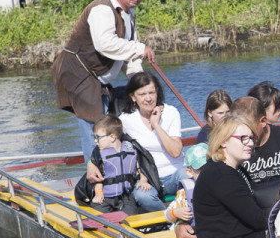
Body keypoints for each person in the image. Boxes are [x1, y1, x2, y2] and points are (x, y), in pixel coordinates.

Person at [52, 0, 154, 162]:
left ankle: (117, 170)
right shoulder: (102, 9)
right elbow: (105, 44)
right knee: (95, 129)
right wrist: (141, 48)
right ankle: (96, 180)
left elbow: (129, 56)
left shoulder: (129, 15)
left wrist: (140, 84)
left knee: (110, 122)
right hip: (78, 74)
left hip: (99, 79)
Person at [193, 114, 268, 238]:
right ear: (224, 141)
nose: (250, 143)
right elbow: (257, 220)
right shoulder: (221, 175)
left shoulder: (234, 170)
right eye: (243, 138)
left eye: (251, 137)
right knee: (278, 237)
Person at [118, 72, 186, 212]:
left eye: (152, 93)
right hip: (148, 178)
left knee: (189, 178)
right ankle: (167, 222)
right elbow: (110, 145)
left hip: (175, 173)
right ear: (133, 97)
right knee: (142, 195)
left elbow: (175, 151)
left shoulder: (171, 113)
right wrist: (91, 164)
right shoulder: (126, 120)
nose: (148, 98)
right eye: (142, 94)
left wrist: (156, 125)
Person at [75, 114, 151, 215]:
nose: (95, 140)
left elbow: (141, 167)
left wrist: (143, 180)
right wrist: (98, 194)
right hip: (104, 197)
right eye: (94, 137)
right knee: (96, 216)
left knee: (130, 217)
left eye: (98, 137)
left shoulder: (131, 149)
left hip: (126, 197)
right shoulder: (99, 154)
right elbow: (98, 180)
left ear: (112, 137)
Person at [164, 143, 208, 225]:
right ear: (189, 172)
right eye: (200, 169)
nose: (206, 172)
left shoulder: (224, 184)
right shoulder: (184, 194)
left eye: (209, 166)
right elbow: (167, 215)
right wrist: (175, 213)